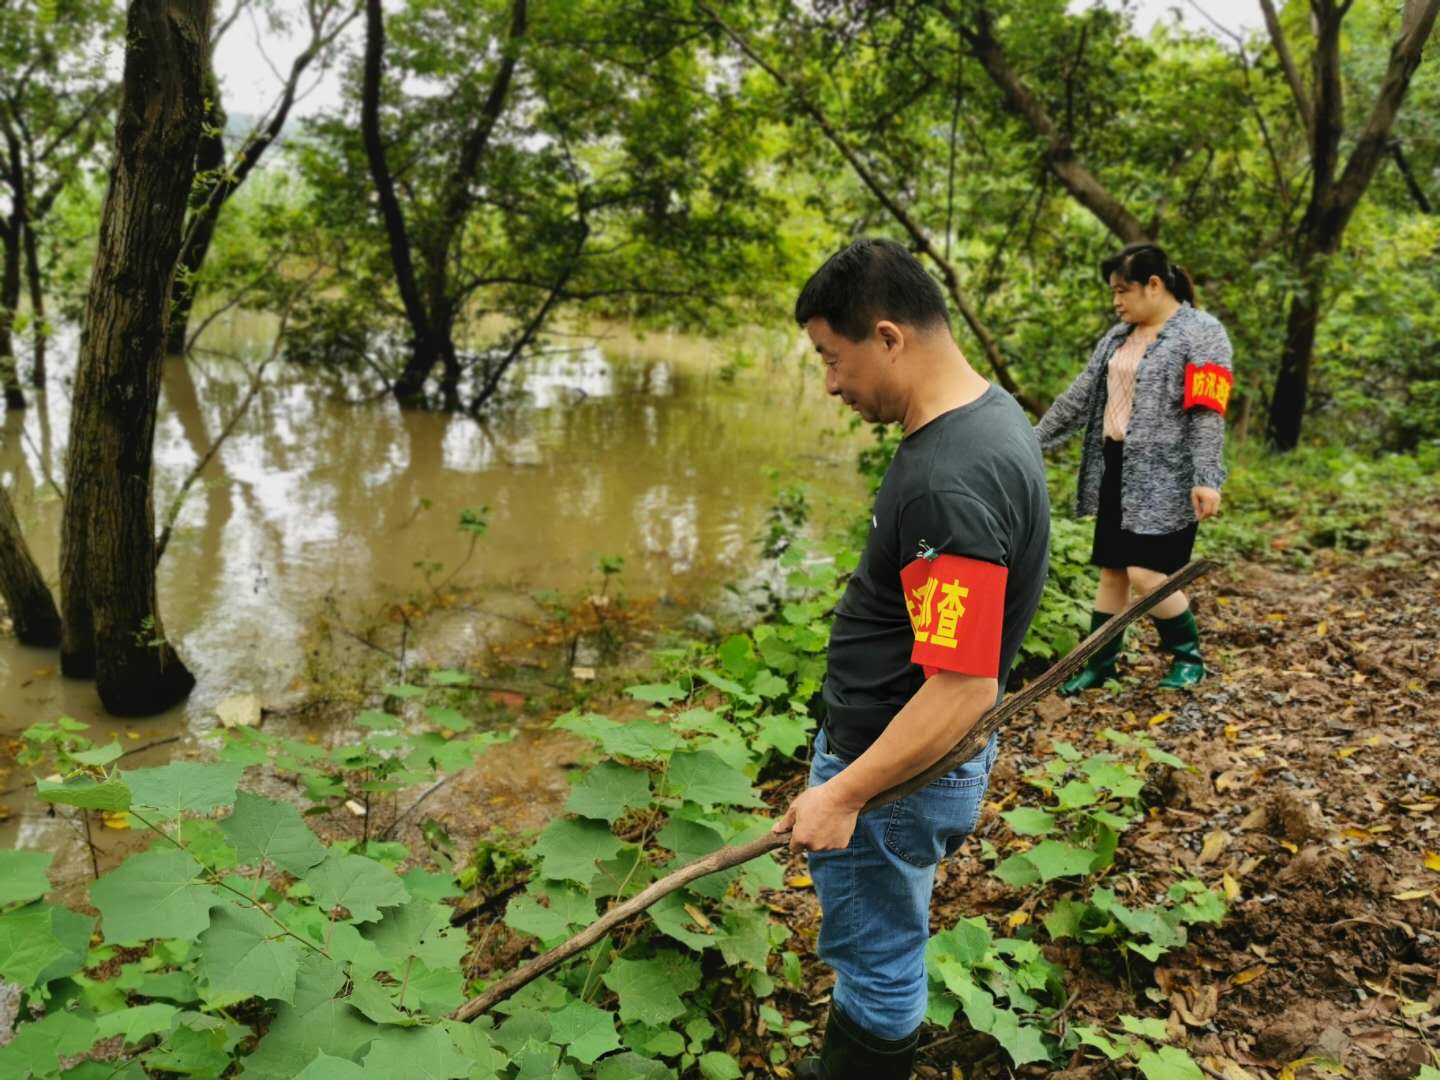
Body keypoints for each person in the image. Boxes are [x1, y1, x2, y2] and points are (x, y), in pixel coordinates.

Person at [774, 238, 1050, 1079]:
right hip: (906, 765)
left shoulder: (948, 479)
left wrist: (845, 791)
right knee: (887, 939)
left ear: (889, 337)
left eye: (833, 358)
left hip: (892, 775)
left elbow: (963, 685)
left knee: (877, 963)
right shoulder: (988, 416)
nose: (830, 384)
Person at [1036, 242, 1233, 694]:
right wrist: (1030, 441)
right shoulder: (1117, 336)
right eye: (1113, 293)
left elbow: (1207, 412)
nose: (1116, 302)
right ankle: (1098, 664)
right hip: (1115, 466)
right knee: (1113, 571)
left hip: (1168, 474)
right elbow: (1080, 395)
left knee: (1147, 573)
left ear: (1155, 285)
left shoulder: (1202, 333)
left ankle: (1189, 657)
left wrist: (1207, 476)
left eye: (1122, 291)